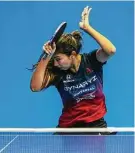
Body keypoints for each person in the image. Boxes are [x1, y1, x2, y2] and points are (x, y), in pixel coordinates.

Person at [30, 6, 116, 135]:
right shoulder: (57, 71)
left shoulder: (92, 61)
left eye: (58, 59)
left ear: (72, 54)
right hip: (68, 128)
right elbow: (35, 87)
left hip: (96, 125)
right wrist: (46, 56)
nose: (55, 63)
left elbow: (111, 50)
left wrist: (87, 28)